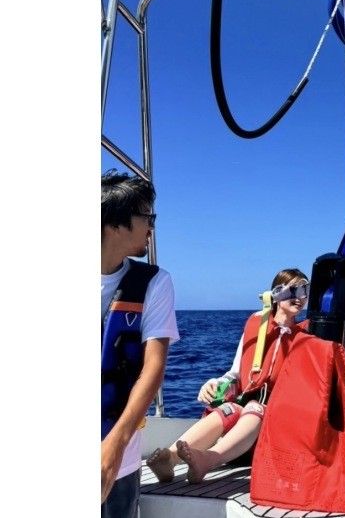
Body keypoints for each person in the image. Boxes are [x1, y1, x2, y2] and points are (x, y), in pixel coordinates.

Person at [146, 268, 309, 484]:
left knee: (254, 408)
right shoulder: (257, 326)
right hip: (246, 425)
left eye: (305, 289)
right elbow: (235, 373)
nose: (300, 296)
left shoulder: (308, 334)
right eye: (293, 289)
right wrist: (215, 383)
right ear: (276, 294)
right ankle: (171, 458)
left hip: (276, 421)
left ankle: (208, 460)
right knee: (229, 409)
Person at [101, 170, 180, 518]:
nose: (152, 226)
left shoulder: (154, 284)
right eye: (147, 217)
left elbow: (153, 366)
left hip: (120, 459)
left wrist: (115, 446)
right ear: (115, 224)